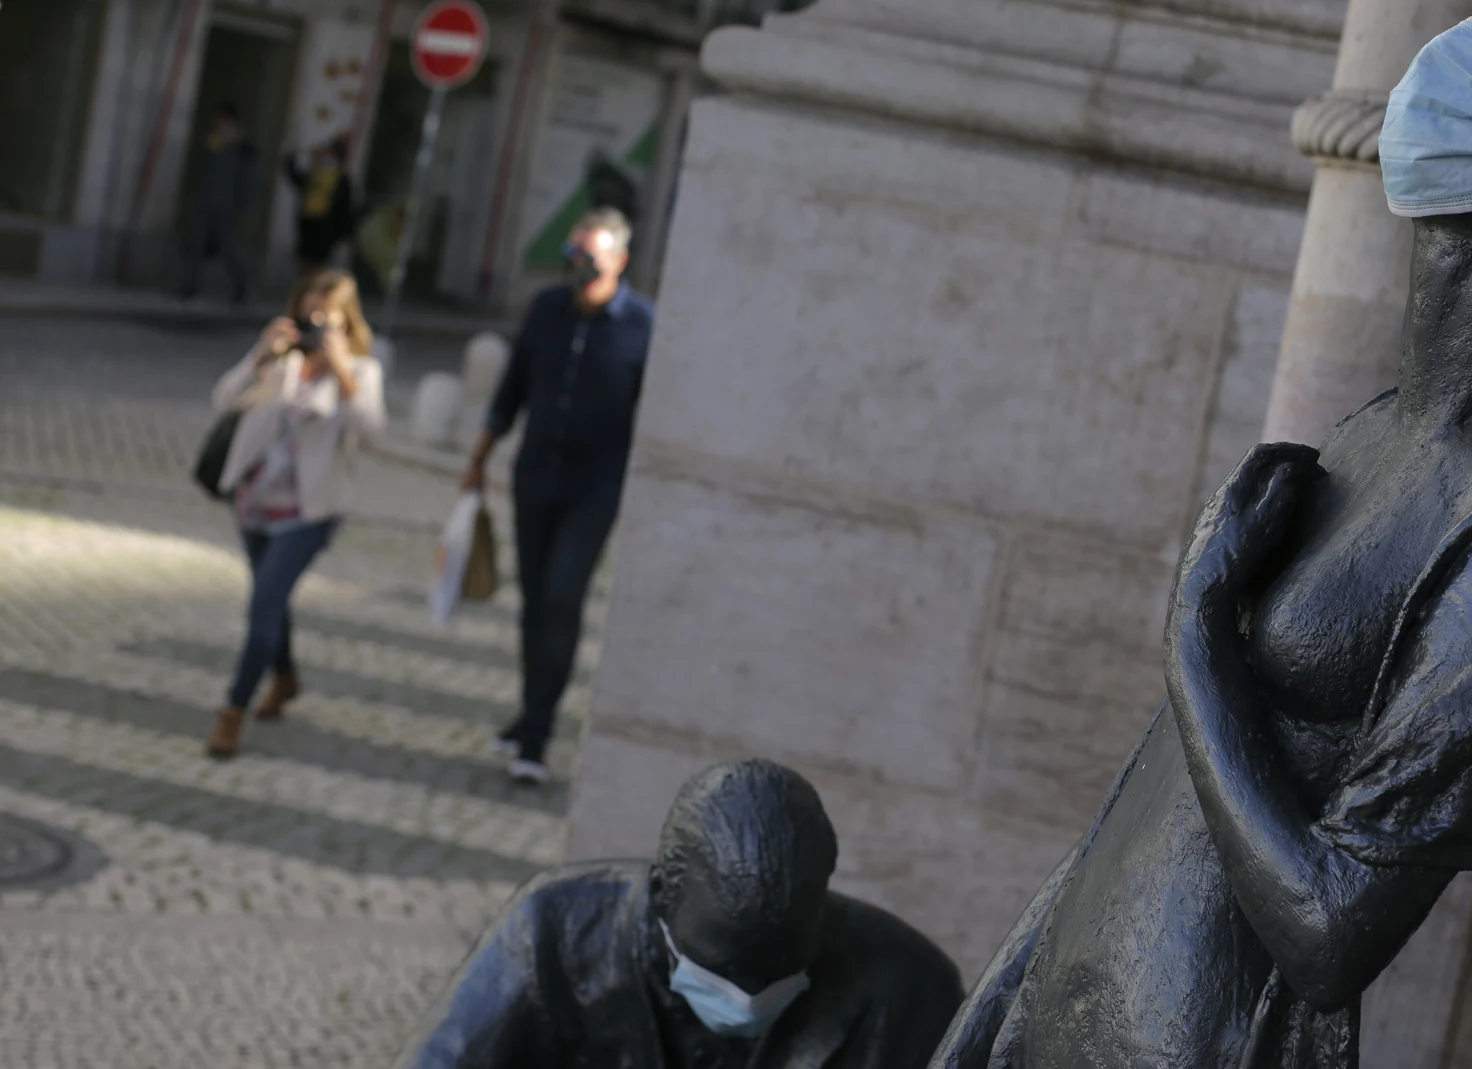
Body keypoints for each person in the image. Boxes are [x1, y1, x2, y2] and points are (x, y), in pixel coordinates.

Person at [929, 1, 1472, 1066]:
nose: (1466, 59)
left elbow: (1332, 928)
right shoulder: (1377, 428)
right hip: (1074, 993)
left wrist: (1197, 639)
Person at [392, 758, 964, 1068]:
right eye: (721, 967)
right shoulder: (552, 936)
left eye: (775, 973)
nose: (745, 996)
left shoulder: (909, 993)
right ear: (662, 892)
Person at [460, 207, 653, 784]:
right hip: (535, 475)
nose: (580, 268)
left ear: (618, 260)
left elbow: (655, 415)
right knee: (535, 600)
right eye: (573, 256)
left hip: (596, 485)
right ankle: (529, 713)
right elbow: (512, 386)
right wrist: (478, 459)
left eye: (591, 258)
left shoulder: (643, 325)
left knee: (564, 597)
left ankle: (537, 737)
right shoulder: (546, 309)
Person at [206, 270, 387, 759]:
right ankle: (284, 678)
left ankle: (232, 711)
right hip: (254, 503)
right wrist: (261, 357)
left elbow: (370, 431)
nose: (312, 327)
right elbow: (223, 401)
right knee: (272, 597)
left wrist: (342, 370)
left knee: (263, 601)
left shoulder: (363, 370)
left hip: (309, 511)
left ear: (345, 323)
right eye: (306, 314)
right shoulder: (281, 359)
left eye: (324, 319)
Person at [181, 103, 260, 304]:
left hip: (226, 208)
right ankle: (190, 286)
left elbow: (248, 180)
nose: (220, 124)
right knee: (195, 244)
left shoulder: (243, 148)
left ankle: (241, 286)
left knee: (228, 250)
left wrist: (242, 208)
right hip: (205, 203)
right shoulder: (213, 142)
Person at [284, 135, 357, 275]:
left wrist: (290, 159)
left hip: (315, 224)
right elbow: (346, 209)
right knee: (314, 263)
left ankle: (309, 288)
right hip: (320, 226)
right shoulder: (333, 176)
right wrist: (347, 233)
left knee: (309, 262)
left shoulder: (320, 173)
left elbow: (296, 178)